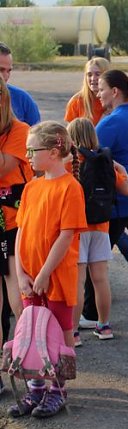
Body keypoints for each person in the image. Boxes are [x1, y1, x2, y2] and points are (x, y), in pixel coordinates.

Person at [9, 121, 87, 419]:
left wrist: (43, 274)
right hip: (31, 279)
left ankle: (58, 389)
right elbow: (20, 233)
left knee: (59, 333)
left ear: (54, 152)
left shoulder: (71, 188)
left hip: (55, 278)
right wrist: (22, 273)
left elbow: (66, 236)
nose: (27, 155)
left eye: (32, 150)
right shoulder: (31, 188)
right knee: (31, 332)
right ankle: (36, 387)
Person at [78, 70, 128, 331]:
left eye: (101, 89)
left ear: (114, 92)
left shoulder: (111, 122)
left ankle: (90, 313)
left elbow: (90, 156)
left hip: (121, 199)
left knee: (94, 259)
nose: (97, 94)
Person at [66, 118, 128, 345]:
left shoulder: (71, 162)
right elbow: (126, 190)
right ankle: (104, 326)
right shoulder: (105, 161)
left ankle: (73, 332)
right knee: (100, 279)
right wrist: (121, 169)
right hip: (102, 227)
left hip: (77, 228)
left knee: (78, 281)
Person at [0, 77, 28, 330]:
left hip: (13, 223)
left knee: (18, 293)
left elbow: (2, 167)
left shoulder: (19, 130)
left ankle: (23, 354)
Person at [0, 42, 41, 126]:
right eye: (1, 70)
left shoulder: (22, 99)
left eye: (9, 71)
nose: (6, 76)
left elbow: (39, 135)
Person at [65, 58, 109, 126]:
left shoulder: (115, 100)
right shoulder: (76, 102)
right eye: (89, 75)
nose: (93, 78)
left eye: (97, 74)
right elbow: (70, 133)